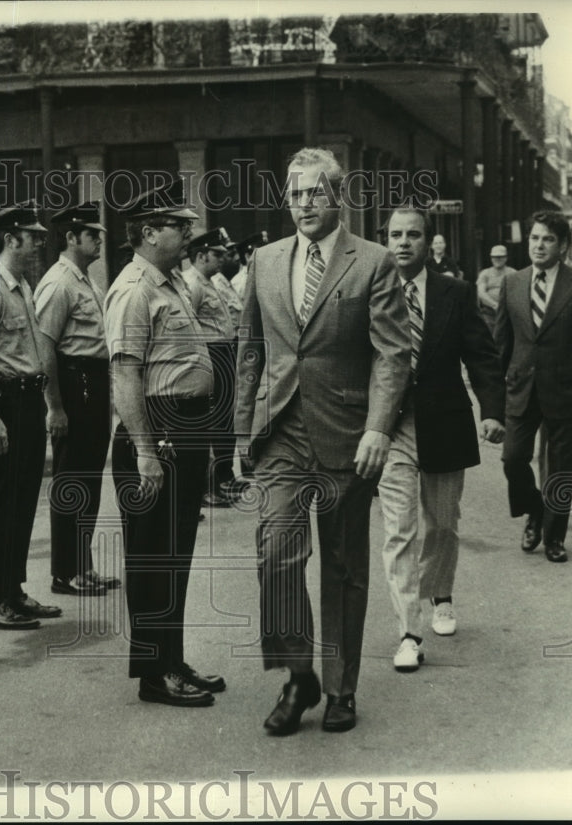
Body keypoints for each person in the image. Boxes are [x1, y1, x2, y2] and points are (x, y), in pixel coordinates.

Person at [235, 147, 410, 735]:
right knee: (274, 555)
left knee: (341, 567)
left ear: (337, 197)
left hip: (346, 435)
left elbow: (392, 354)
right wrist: (241, 430)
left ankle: (340, 689)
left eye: (315, 192)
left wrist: (379, 429)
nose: (304, 203)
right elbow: (251, 351)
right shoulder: (263, 261)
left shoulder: (375, 263)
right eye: (295, 193)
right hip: (281, 430)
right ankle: (298, 673)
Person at [105, 180, 225, 708]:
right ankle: (156, 675)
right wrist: (146, 452)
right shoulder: (134, 288)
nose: (187, 233)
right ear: (148, 232)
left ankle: (171, 659)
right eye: (178, 225)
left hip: (186, 427)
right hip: (157, 430)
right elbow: (126, 375)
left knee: (176, 555)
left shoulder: (169, 282)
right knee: (154, 558)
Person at [379, 208, 506, 672]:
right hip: (390, 425)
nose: (404, 243)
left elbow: (481, 355)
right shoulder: (371, 291)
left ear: (429, 242)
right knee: (398, 528)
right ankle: (409, 631)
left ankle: (442, 597)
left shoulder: (455, 292)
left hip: (445, 420)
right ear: (385, 240)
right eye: (395, 234)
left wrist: (493, 410)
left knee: (443, 522)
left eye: (413, 234)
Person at [0, 204, 63, 630]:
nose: (40, 243)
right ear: (9, 240)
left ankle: (12, 591)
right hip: (1, 402)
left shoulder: (21, 286)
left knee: (22, 501)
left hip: (24, 400)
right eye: (32, 236)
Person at [494, 211, 572, 564]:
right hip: (521, 386)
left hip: (565, 389)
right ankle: (534, 509)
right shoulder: (512, 283)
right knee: (513, 458)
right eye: (534, 238)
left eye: (548, 240)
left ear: (563, 246)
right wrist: (491, 398)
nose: (539, 245)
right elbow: (502, 342)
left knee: (559, 466)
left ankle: (554, 536)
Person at [34, 202, 121, 597]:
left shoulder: (86, 281)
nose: (100, 240)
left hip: (93, 381)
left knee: (87, 478)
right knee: (71, 481)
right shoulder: (59, 283)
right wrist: (55, 406)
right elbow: (45, 347)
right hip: (73, 382)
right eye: (92, 234)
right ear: (71, 237)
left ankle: (82, 566)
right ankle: (65, 571)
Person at [182, 227, 239, 507]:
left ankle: (222, 479)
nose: (223, 257)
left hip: (222, 352)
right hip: (209, 355)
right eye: (217, 253)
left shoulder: (210, 281)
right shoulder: (192, 283)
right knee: (211, 421)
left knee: (224, 420)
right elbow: (188, 330)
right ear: (201, 255)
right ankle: (207, 486)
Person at [476, 244, 512, 335]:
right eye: (494, 257)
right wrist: (495, 305)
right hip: (489, 312)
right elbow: (481, 293)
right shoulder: (485, 273)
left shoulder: (513, 273)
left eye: (500, 257)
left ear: (505, 258)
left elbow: (517, 294)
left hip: (508, 312)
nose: (497, 260)